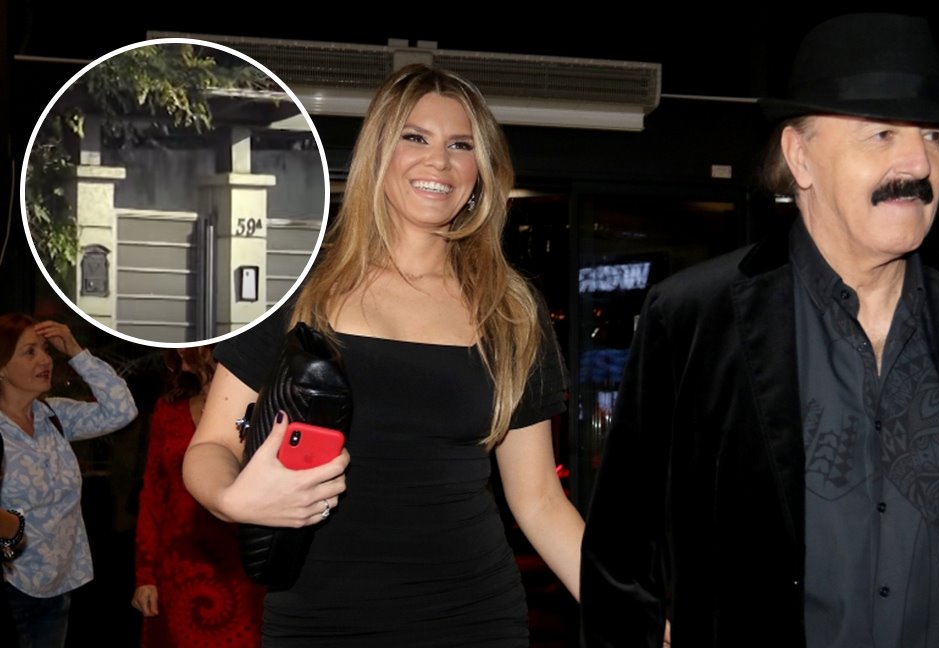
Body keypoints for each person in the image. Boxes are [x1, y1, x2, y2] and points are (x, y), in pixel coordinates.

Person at [581, 13, 939, 648]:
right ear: (800, 157)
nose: (919, 162)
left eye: (933, 136)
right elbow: (621, 559)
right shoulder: (695, 318)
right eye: (882, 133)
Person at [183, 64, 584, 647]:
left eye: (461, 145)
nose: (439, 161)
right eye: (415, 137)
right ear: (378, 152)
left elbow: (541, 500)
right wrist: (230, 499)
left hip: (475, 619)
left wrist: (634, 612)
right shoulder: (298, 287)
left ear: (481, 171)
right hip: (318, 622)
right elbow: (212, 446)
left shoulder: (511, 310)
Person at [0, 314, 137, 647]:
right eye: (29, 352)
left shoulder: (54, 416)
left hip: (57, 585)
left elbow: (122, 410)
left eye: (46, 350)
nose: (45, 360)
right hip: (12, 585)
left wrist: (76, 351)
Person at [132, 346, 264, 647]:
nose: (179, 349)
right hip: (179, 566)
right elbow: (153, 496)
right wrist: (145, 575)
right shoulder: (169, 411)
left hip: (241, 566)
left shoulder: (258, 410)